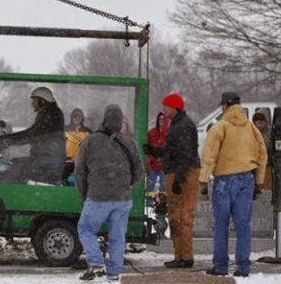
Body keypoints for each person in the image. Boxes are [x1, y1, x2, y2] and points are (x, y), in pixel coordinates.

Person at [200, 92, 267, 278]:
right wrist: (259, 183)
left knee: (221, 225)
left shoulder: (220, 128)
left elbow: (209, 156)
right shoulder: (252, 129)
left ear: (225, 106)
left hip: (223, 180)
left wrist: (203, 180)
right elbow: (262, 156)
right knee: (243, 225)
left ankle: (221, 266)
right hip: (246, 180)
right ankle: (243, 267)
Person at [75, 104, 143, 282]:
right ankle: (114, 275)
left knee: (85, 229)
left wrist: (84, 194)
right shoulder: (129, 143)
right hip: (122, 198)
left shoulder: (90, 141)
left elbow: (79, 171)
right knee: (118, 237)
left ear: (104, 119)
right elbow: (139, 171)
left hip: (98, 196)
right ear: (120, 121)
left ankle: (97, 264)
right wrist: (125, 184)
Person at [144, 93, 200, 268]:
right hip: (176, 172)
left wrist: (179, 179)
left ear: (175, 107)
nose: (164, 109)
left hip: (182, 174)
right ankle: (180, 256)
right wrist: (155, 150)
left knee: (183, 216)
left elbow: (186, 154)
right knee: (175, 216)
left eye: (166, 106)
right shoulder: (177, 124)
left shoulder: (183, 126)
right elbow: (172, 150)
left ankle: (185, 256)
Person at [0, 87, 66, 184]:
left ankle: (5, 194)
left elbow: (32, 135)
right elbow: (33, 133)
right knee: (14, 163)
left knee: (15, 169)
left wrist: (6, 140)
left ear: (42, 100)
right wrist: (5, 138)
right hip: (45, 158)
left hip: (48, 160)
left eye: (34, 100)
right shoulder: (49, 112)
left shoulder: (51, 114)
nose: (32, 103)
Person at [145, 112, 169, 206]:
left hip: (164, 165)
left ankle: (162, 204)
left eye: (164, 119)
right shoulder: (152, 133)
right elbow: (147, 146)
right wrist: (150, 158)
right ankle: (149, 203)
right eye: (160, 119)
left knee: (163, 185)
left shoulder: (169, 134)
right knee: (150, 185)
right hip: (152, 164)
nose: (161, 121)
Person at [252, 111, 273, 192]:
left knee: (266, 193)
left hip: (267, 169)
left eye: (262, 119)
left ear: (266, 120)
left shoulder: (272, 134)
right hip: (253, 170)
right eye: (257, 119)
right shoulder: (250, 133)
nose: (259, 121)